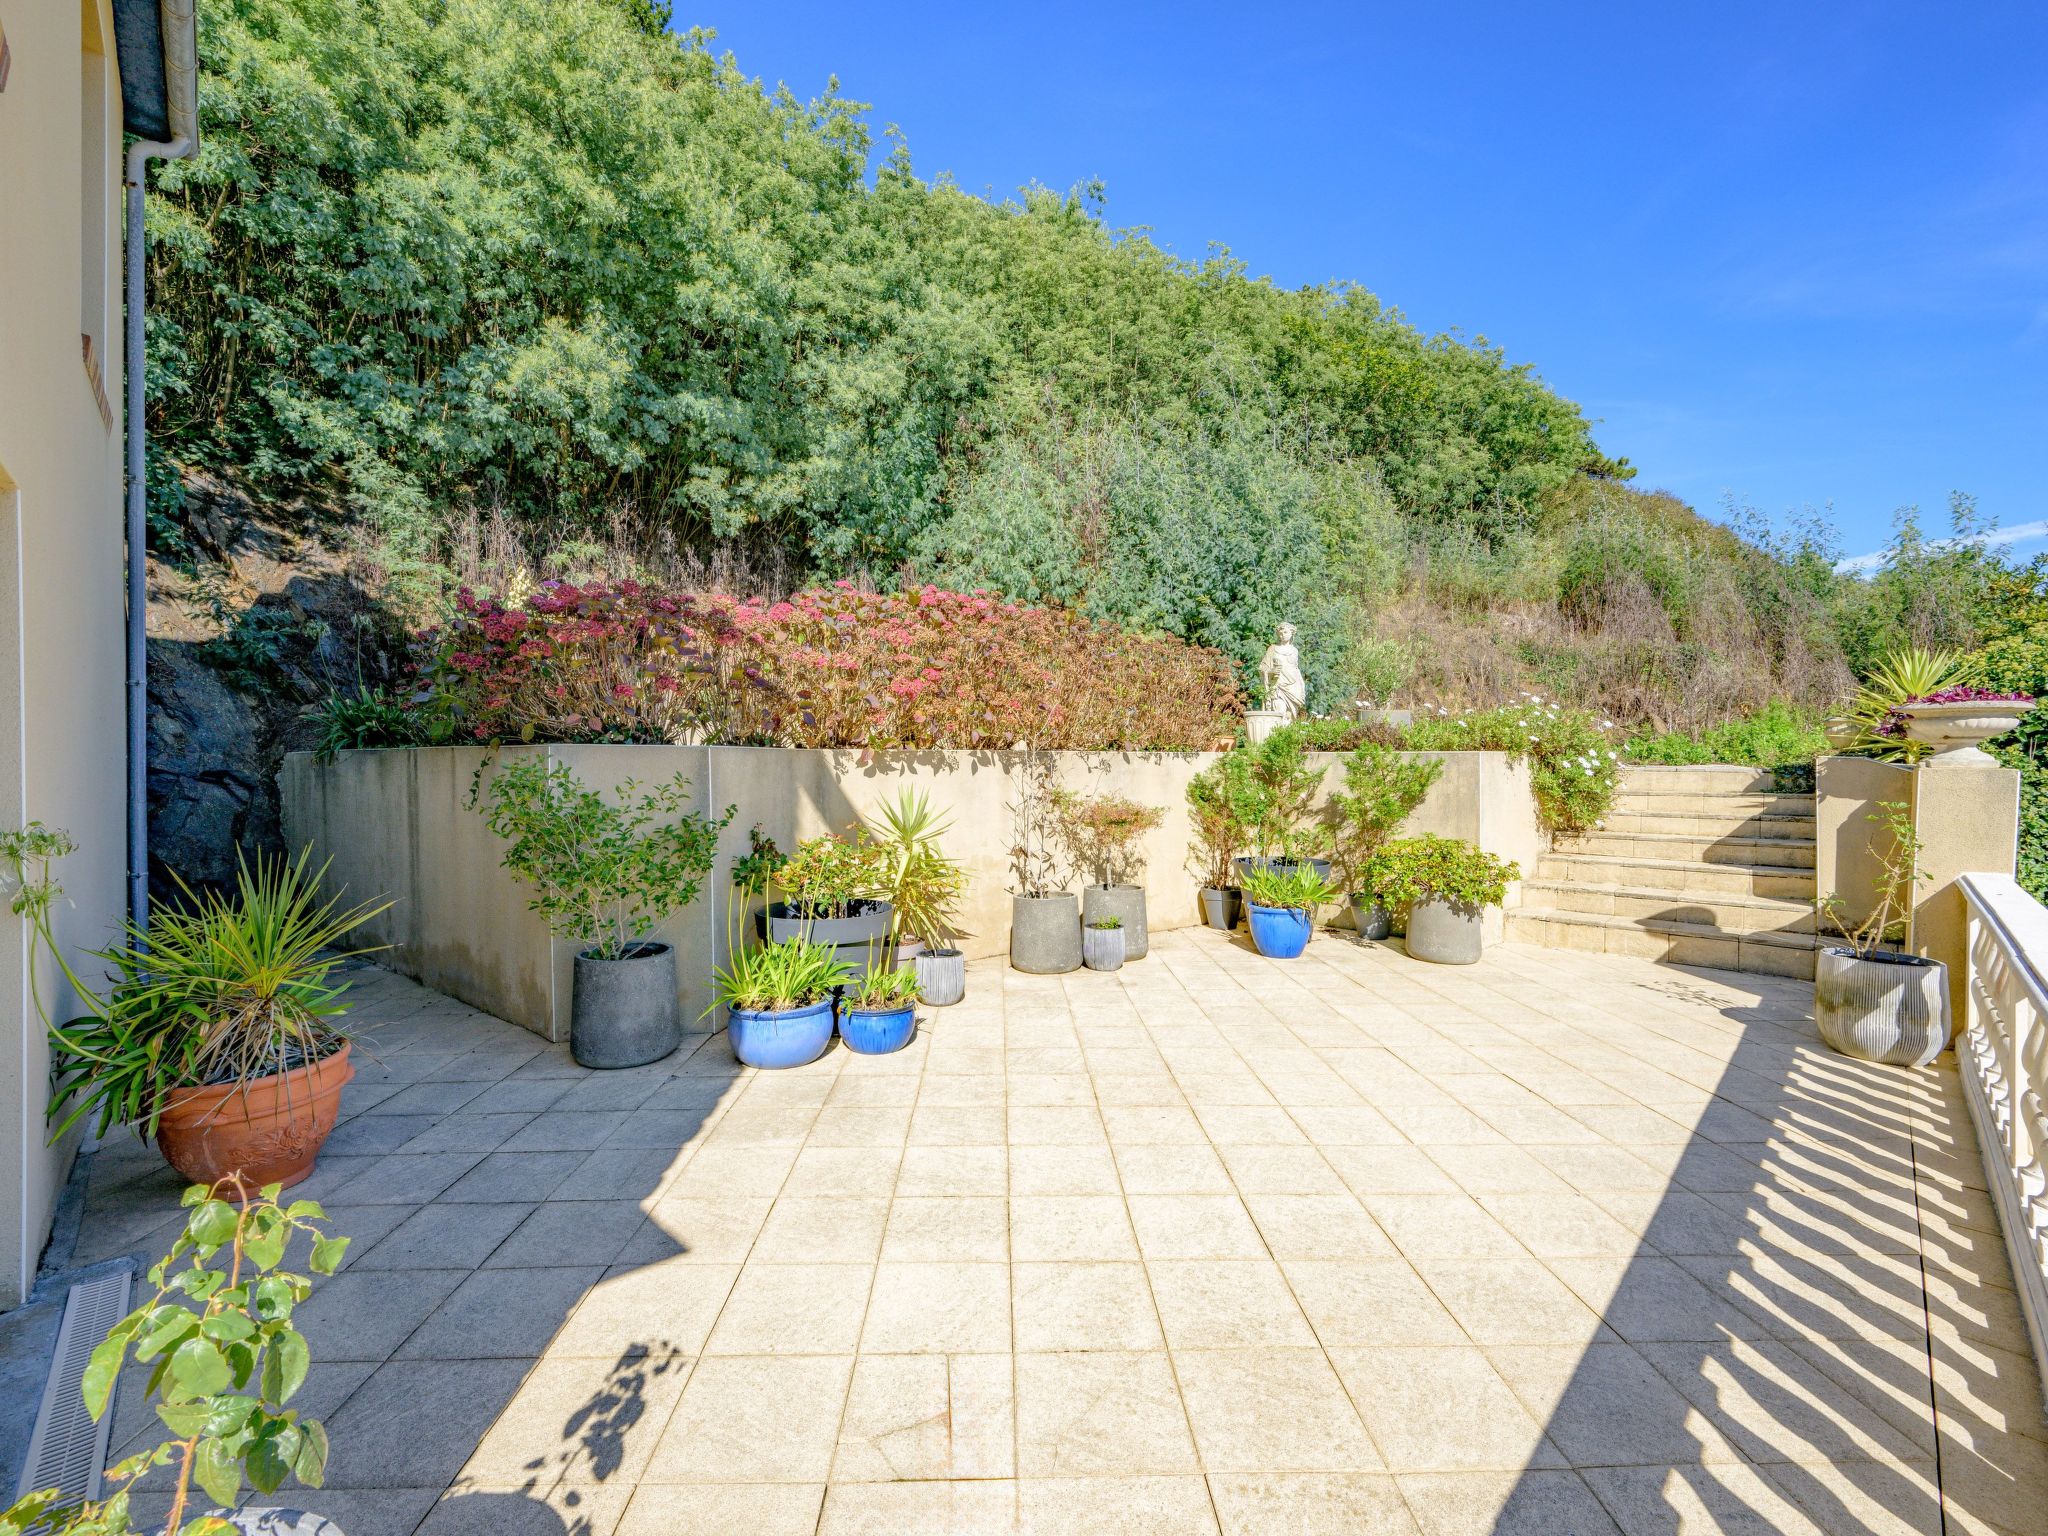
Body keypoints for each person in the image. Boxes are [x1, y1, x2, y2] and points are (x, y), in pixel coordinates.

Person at [1259, 622, 1305, 723]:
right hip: (1278, 685)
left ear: (1292, 633)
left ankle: (1287, 733)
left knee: (1290, 717)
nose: (1282, 635)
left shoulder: (1294, 650)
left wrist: (1302, 686)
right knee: (1279, 712)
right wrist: (1271, 671)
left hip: (1294, 687)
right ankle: (1277, 732)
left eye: (1285, 632)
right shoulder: (1272, 649)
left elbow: (1296, 669)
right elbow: (1262, 667)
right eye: (1280, 633)